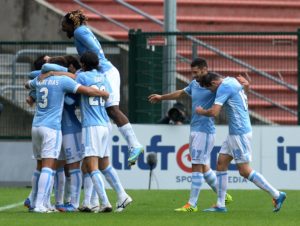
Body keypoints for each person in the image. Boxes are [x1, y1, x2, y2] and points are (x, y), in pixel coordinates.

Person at [25, 57, 110, 213]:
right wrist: (104, 93)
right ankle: (49, 202)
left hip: (63, 129)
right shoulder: (64, 82)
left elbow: (31, 80)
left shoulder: (40, 79)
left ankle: (71, 202)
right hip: (54, 128)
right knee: (53, 168)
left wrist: (48, 73)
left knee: (64, 167)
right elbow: (83, 88)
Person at [148, 58, 232, 212]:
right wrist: (161, 97)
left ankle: (192, 204)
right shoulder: (194, 84)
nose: (193, 75)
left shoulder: (216, 87)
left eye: (196, 72)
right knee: (204, 166)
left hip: (205, 131)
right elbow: (181, 93)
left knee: (196, 165)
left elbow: (228, 93)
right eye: (192, 72)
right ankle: (223, 194)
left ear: (204, 69)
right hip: (195, 129)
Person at [61, 9, 143, 166]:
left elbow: (97, 51)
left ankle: (134, 144)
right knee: (106, 110)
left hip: (106, 72)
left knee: (112, 109)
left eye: (64, 25)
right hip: (104, 72)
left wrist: (94, 69)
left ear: (72, 24)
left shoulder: (79, 31)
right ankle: (111, 146)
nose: (63, 28)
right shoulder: (82, 30)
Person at [196, 72, 286, 213]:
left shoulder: (223, 87)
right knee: (221, 162)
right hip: (235, 132)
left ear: (214, 83)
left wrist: (201, 111)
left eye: (209, 88)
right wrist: (248, 86)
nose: (211, 91)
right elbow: (243, 94)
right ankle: (220, 204)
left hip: (239, 133)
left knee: (244, 171)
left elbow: (214, 112)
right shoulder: (231, 80)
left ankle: (277, 194)